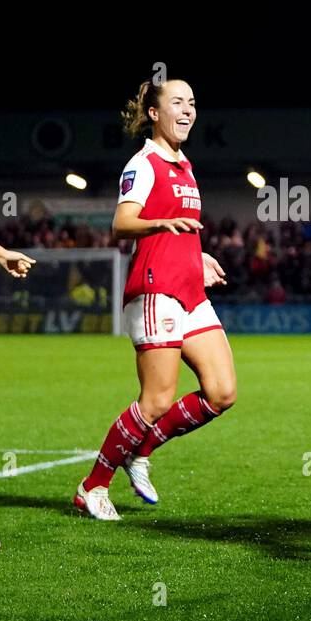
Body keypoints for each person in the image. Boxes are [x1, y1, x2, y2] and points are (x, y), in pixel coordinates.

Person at [74, 79, 235, 521]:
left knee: (222, 392)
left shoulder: (185, 165)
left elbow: (178, 227)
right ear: (154, 114)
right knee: (156, 400)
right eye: (177, 103)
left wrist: (197, 255)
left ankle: (139, 451)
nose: (187, 110)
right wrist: (165, 225)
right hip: (154, 289)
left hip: (189, 290)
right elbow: (123, 222)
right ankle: (93, 486)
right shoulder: (143, 163)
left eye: (193, 103)